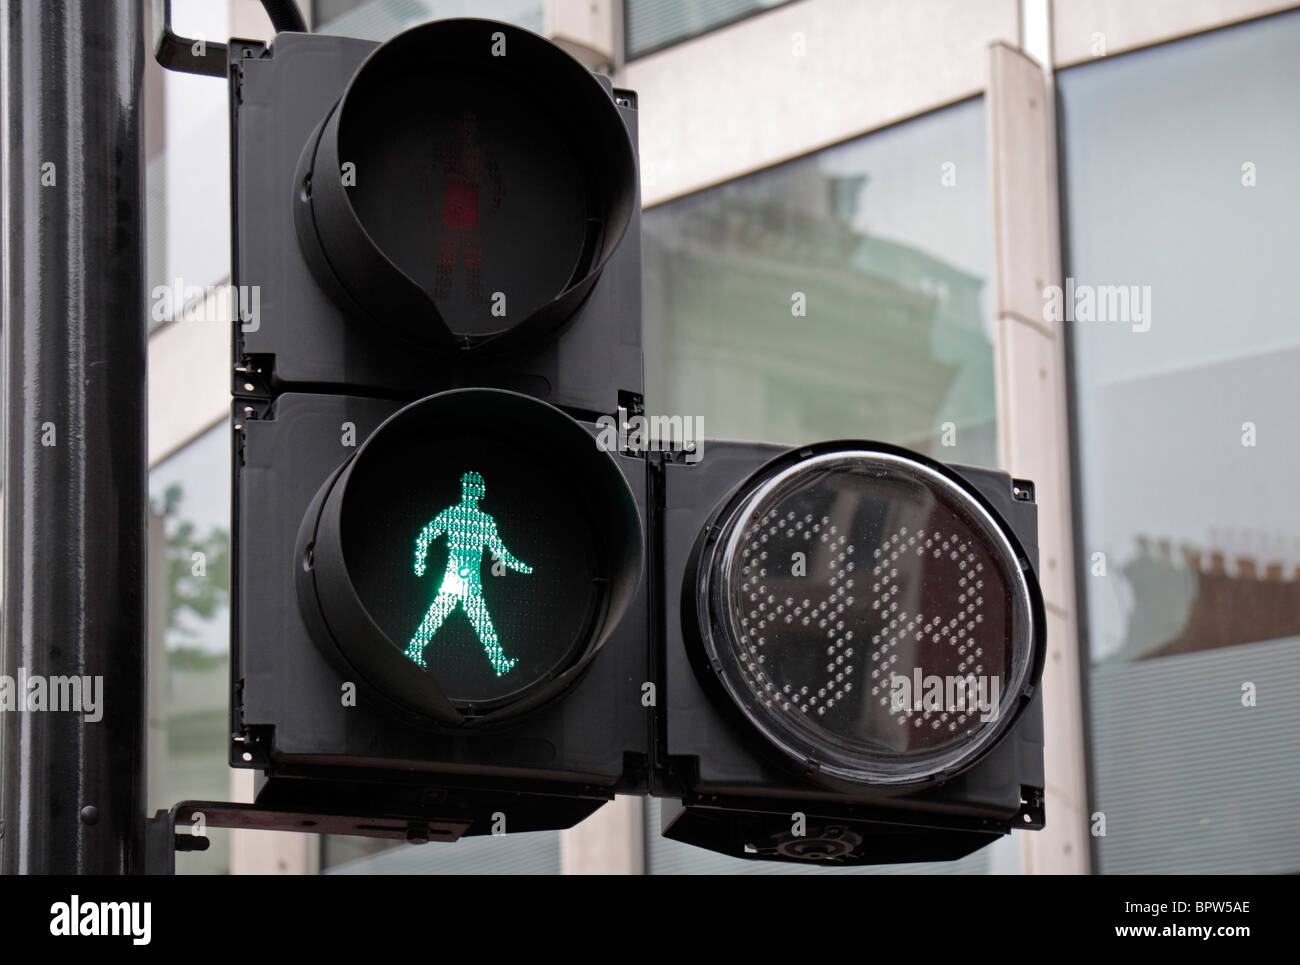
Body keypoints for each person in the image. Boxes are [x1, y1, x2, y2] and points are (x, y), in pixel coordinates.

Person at [405, 470, 531, 676]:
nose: (470, 491)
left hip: (466, 583)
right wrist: (420, 561)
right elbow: (427, 534)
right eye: (469, 487)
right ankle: (499, 664)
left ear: (478, 491)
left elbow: (500, 551)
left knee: (473, 623)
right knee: (445, 619)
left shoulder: (482, 520)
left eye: (473, 488)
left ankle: (499, 664)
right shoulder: (460, 515)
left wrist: (521, 566)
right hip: (455, 581)